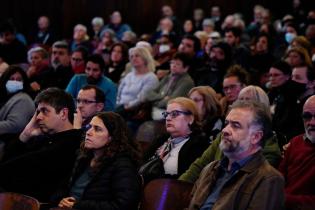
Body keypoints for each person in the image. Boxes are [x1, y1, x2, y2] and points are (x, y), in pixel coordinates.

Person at [187, 100, 284, 210]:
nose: (225, 130)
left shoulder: (268, 179)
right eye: (226, 123)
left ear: (256, 137)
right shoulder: (209, 169)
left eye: (236, 125)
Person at [179, 85, 281, 183]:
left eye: (249, 101)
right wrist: (175, 188)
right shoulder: (222, 138)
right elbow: (199, 165)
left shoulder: (269, 151)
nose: (244, 104)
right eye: (241, 100)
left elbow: (251, 184)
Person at [0, 88, 82, 201]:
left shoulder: (70, 145)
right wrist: (25, 134)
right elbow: (5, 162)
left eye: (44, 111)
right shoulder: (42, 139)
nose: (38, 117)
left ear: (63, 113)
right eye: (38, 112)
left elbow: (7, 170)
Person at [53, 112, 141, 210]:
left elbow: (123, 205)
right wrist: (61, 200)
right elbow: (65, 186)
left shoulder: (123, 165)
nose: (88, 132)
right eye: (89, 127)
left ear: (111, 138)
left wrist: (78, 205)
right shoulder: (84, 157)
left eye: (97, 129)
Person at [142, 97, 209, 180]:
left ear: (190, 119)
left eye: (174, 114)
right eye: (166, 114)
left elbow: (187, 180)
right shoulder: (161, 140)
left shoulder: (199, 145)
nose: (168, 118)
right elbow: (142, 163)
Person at [278, 95, 315, 210]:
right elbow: (279, 179)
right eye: (307, 117)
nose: (312, 122)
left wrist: (283, 199)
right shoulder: (295, 142)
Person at [144, 52, 195, 121]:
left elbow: (171, 102)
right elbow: (149, 93)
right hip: (157, 111)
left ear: (186, 68)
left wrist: (155, 102)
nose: (173, 66)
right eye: (172, 63)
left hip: (172, 115)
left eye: (177, 64)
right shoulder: (169, 76)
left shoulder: (187, 82)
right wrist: (162, 97)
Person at [0, 66, 35, 157]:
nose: (15, 82)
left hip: (10, 147)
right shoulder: (7, 97)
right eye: (11, 79)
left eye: (19, 79)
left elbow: (15, 125)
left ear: (24, 82)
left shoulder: (23, 99)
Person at [116, 46, 158, 118]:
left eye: (137, 56)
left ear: (145, 58)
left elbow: (142, 98)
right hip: (120, 107)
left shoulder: (151, 77)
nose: (133, 58)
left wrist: (126, 107)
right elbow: (119, 93)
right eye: (131, 56)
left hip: (134, 111)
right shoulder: (129, 75)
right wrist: (118, 104)